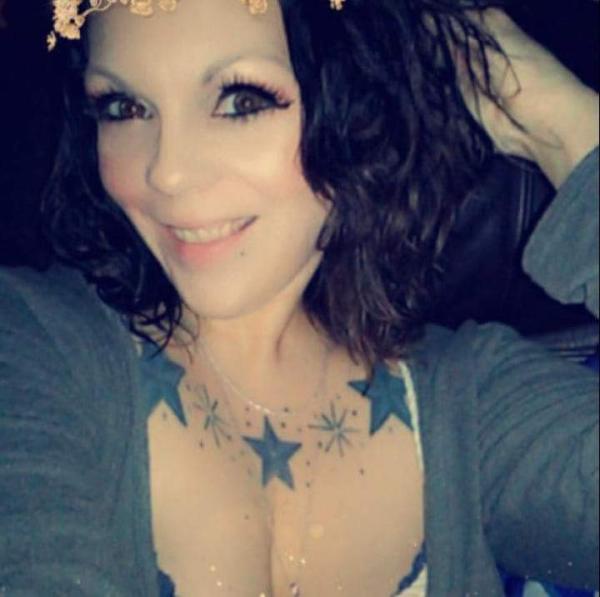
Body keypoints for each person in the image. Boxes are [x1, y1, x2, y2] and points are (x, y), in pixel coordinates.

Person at [0, 0, 597, 595]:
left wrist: (569, 131)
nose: (167, 173)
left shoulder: (468, 402)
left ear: (360, 107)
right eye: (125, 108)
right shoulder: (33, 348)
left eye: (241, 101)